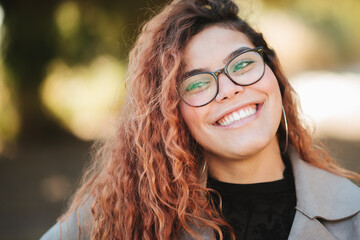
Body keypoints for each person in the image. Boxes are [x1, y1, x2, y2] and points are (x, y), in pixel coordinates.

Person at [40, 0, 360, 239]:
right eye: (197, 83)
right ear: (172, 114)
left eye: (242, 64)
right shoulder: (130, 212)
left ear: (274, 73)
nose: (229, 90)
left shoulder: (352, 213)